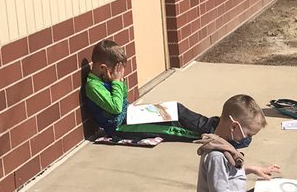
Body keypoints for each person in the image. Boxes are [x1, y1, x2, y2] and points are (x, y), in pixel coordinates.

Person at [83, 38, 218, 140]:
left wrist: (119, 82)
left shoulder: (105, 79)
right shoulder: (93, 86)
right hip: (121, 128)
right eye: (116, 71)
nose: (117, 75)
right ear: (103, 68)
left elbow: (123, 97)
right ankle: (210, 132)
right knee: (172, 125)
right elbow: (116, 107)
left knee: (174, 109)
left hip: (131, 115)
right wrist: (117, 81)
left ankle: (212, 124)